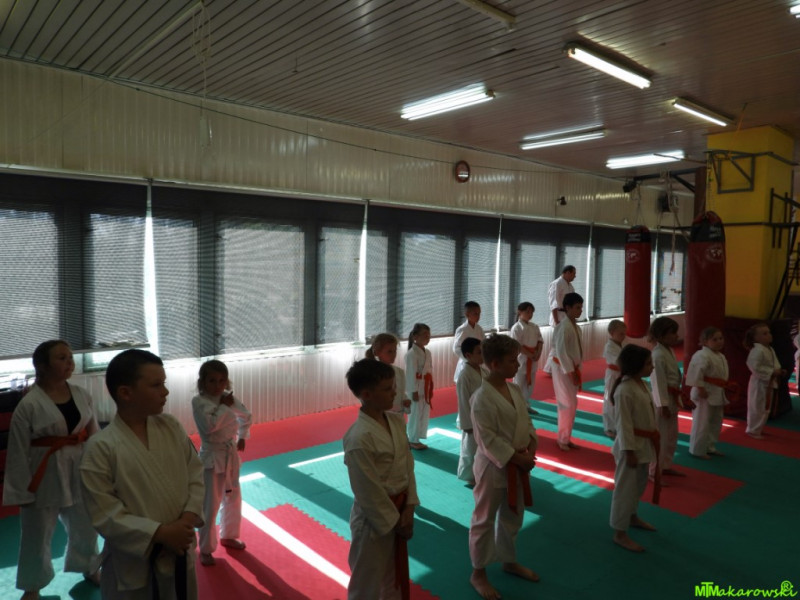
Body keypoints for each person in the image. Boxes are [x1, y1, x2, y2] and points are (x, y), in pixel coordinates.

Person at [80, 349, 204, 600]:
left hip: (180, 551)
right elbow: (105, 513)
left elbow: (196, 474)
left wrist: (187, 520)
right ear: (126, 393)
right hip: (133, 565)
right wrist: (161, 533)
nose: (165, 392)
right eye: (156, 385)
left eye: (164, 383)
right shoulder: (100, 447)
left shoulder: (171, 426)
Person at [2, 340, 101, 600]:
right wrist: (21, 489)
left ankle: (90, 567)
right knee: (37, 530)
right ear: (42, 366)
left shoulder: (82, 394)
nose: (70, 362)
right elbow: (18, 450)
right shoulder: (29, 404)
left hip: (80, 465)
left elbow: (94, 433)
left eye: (70, 357)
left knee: (85, 522)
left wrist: (101, 468)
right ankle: (32, 586)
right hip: (43, 471)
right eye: (61, 358)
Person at [468, 334, 539, 600]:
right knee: (484, 518)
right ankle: (478, 573)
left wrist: (532, 447)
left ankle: (509, 560)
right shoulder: (481, 397)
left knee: (513, 514)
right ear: (495, 364)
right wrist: (517, 458)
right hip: (493, 467)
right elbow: (486, 439)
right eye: (512, 361)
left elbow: (526, 423)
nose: (518, 365)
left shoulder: (515, 390)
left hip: (519, 463)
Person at [343, 359, 418, 600]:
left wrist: (410, 507)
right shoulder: (358, 438)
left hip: (400, 509)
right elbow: (367, 491)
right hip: (373, 521)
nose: (394, 392)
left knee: (393, 578)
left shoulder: (396, 421)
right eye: (387, 388)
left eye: (393, 386)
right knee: (367, 585)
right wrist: (397, 521)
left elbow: (408, 466)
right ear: (366, 394)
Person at [192, 359, 252, 566]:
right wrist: (225, 407)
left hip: (230, 454)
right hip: (212, 458)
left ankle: (229, 535)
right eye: (212, 381)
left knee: (233, 497)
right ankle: (206, 549)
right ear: (202, 382)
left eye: (222, 380)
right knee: (210, 504)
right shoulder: (199, 402)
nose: (217, 385)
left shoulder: (226, 397)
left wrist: (242, 435)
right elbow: (210, 426)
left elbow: (246, 415)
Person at [609, 344, 658, 553]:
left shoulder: (641, 384)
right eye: (648, 364)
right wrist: (628, 452)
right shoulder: (624, 390)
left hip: (644, 443)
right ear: (636, 366)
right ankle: (619, 533)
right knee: (625, 489)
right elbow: (623, 425)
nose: (652, 367)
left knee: (638, 485)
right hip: (630, 447)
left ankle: (632, 516)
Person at [648, 317, 685, 479]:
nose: (677, 336)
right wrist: (662, 404)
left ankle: (665, 465)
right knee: (661, 437)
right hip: (662, 400)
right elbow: (658, 381)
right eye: (673, 333)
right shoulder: (657, 355)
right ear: (661, 335)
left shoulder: (668, 350)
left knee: (671, 436)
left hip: (671, 397)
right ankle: (654, 471)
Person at [685, 327, 730, 459]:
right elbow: (695, 373)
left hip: (717, 391)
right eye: (714, 339)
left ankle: (710, 446)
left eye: (721, 338)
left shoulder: (720, 356)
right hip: (704, 392)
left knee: (716, 422)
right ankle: (697, 450)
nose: (719, 341)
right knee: (702, 422)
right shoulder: (701, 355)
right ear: (704, 341)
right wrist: (701, 388)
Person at [549, 292, 584, 451]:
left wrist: (576, 370)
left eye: (581, 307)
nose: (580, 310)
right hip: (563, 368)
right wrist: (571, 372)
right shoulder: (563, 327)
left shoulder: (575, 327)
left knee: (572, 403)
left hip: (570, 368)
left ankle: (566, 437)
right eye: (577, 307)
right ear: (567, 308)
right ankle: (562, 439)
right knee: (566, 403)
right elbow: (562, 352)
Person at [744, 323, 783, 439]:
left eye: (769, 332)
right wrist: (772, 372)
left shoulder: (769, 349)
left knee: (765, 407)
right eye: (764, 334)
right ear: (756, 338)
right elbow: (754, 366)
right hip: (759, 382)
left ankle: (758, 428)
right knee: (757, 407)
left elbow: (774, 364)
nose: (769, 335)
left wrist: (779, 371)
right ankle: (752, 430)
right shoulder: (757, 350)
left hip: (768, 382)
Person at [456, 337, 484, 486]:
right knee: (470, 448)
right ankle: (468, 474)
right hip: (471, 417)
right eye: (479, 352)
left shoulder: (484, 371)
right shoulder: (464, 375)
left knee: (483, 447)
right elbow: (462, 401)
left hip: (483, 414)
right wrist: (466, 424)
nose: (482, 355)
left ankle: (481, 472)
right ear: (468, 355)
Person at [510, 302, 543, 416]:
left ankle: (526, 405)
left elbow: (540, 341)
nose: (530, 314)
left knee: (530, 384)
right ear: (519, 312)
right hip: (521, 359)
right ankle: (516, 406)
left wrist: (538, 353)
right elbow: (516, 345)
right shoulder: (516, 327)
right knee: (518, 384)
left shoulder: (535, 326)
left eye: (532, 312)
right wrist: (529, 354)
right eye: (527, 312)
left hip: (533, 358)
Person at [544, 266, 577, 374]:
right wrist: (556, 320)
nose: (575, 276)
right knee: (558, 343)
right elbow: (553, 304)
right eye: (573, 274)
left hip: (567, 315)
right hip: (558, 315)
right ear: (567, 272)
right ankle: (550, 368)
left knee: (564, 344)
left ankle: (552, 367)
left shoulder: (570, 286)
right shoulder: (556, 284)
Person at [405, 323, 433, 450]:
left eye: (429, 335)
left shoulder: (428, 352)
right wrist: (413, 391)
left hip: (425, 386)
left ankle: (418, 436)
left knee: (423, 413)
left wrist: (430, 387)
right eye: (424, 335)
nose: (427, 337)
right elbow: (410, 374)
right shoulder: (411, 354)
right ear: (415, 337)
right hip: (415, 387)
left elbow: (430, 371)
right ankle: (412, 439)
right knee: (415, 413)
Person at [367, 333, 409, 414]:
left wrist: (405, 400)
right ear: (377, 352)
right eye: (389, 351)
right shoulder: (372, 374)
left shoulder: (399, 372)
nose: (393, 354)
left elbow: (401, 393)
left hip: (398, 414)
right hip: (381, 415)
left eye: (395, 351)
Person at [602, 320, 627, 438]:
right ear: (612, 333)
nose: (623, 336)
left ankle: (618, 425)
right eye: (621, 334)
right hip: (613, 375)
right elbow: (619, 362)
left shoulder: (621, 345)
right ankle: (609, 427)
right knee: (609, 400)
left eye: (624, 333)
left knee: (619, 400)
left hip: (621, 375)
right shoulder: (609, 347)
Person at [453, 301, 485, 383]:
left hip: (478, 361)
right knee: (466, 384)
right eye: (475, 314)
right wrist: (469, 358)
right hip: (466, 362)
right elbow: (456, 348)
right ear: (467, 315)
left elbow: (484, 343)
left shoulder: (479, 329)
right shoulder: (462, 329)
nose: (478, 316)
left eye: (479, 313)